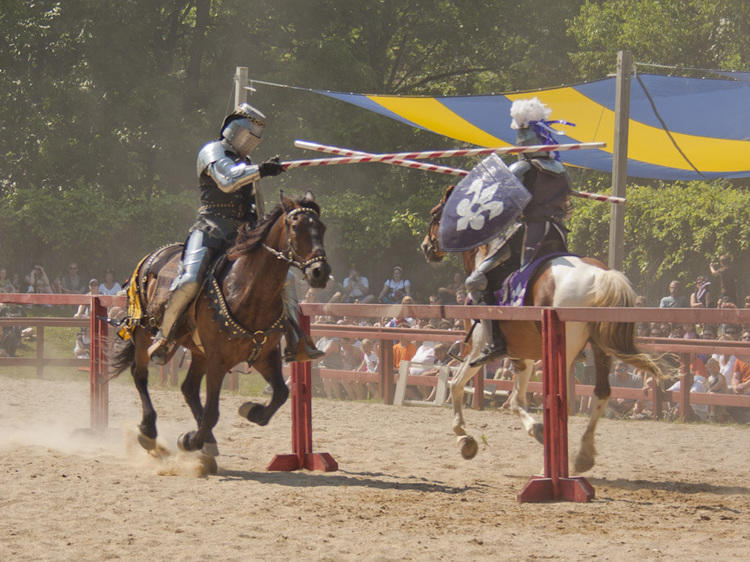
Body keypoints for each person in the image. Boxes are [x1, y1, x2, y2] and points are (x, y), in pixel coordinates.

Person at [147, 103, 319, 365]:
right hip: (209, 228)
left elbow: (257, 206)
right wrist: (261, 170)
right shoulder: (211, 151)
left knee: (286, 277)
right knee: (190, 279)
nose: (251, 142)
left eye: (255, 139)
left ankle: (297, 340)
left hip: (242, 234)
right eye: (248, 135)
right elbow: (227, 180)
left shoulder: (247, 164)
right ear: (234, 130)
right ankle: (164, 336)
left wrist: (263, 232)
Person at [467, 97, 573, 366]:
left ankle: (495, 343)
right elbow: (567, 206)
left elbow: (504, 207)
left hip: (530, 234)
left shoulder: (521, 168)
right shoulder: (562, 172)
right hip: (557, 235)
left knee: (476, 280)